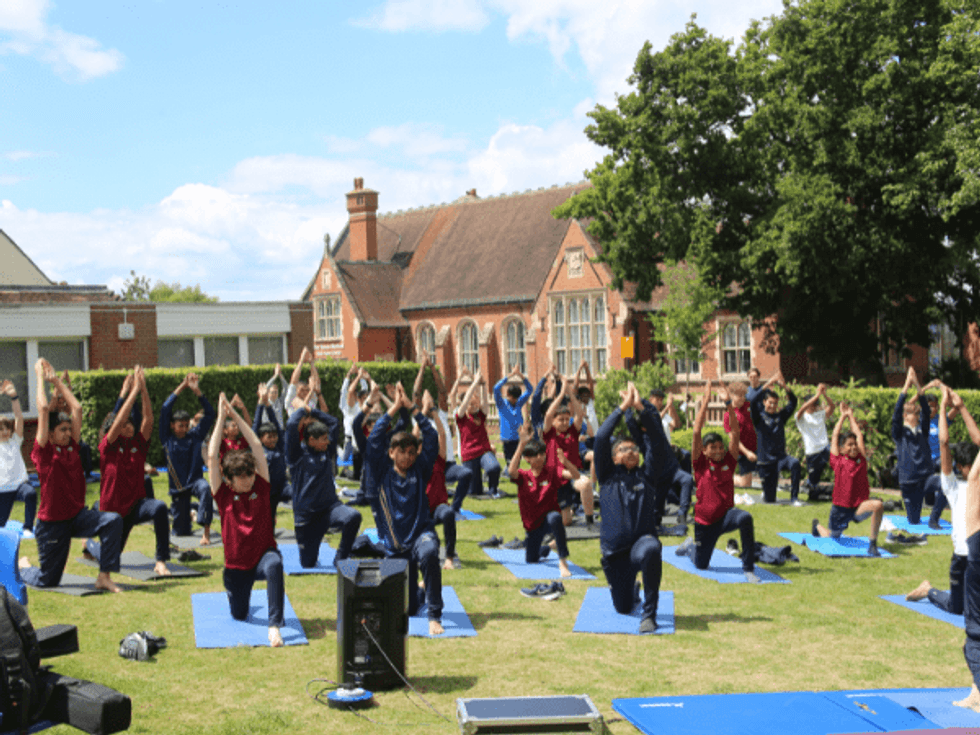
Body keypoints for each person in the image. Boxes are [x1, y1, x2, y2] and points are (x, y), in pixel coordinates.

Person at [19, 359, 123, 593]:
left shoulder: (72, 448)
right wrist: (39, 376)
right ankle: (24, 566)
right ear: (51, 433)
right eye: (62, 430)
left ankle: (104, 577)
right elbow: (44, 410)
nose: (68, 433)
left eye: (69, 429)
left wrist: (56, 380)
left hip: (77, 517)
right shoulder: (43, 452)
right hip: (52, 525)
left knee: (113, 520)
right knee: (48, 580)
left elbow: (76, 409)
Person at [365, 383, 444, 635]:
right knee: (407, 609)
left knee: (430, 552)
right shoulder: (380, 473)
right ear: (391, 453)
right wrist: (395, 408)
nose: (408, 457)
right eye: (402, 453)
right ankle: (419, 590)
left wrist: (413, 408)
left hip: (421, 535)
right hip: (395, 547)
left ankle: (434, 613)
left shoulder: (420, 469)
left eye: (412, 452)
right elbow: (374, 439)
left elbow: (431, 437)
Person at [208, 394, 285, 648]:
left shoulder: (261, 486)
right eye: (241, 477)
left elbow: (256, 446)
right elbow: (212, 457)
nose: (248, 480)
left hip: (263, 555)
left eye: (250, 474)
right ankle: (239, 597)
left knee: (275, 565)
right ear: (229, 480)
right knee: (239, 615)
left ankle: (274, 625)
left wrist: (236, 414)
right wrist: (221, 418)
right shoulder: (223, 494)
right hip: (236, 567)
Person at [86, 366, 171, 576]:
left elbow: (148, 420)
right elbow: (117, 420)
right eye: (125, 425)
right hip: (113, 512)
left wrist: (143, 389)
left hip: (135, 505)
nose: (129, 427)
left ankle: (161, 560)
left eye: (131, 425)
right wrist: (130, 393)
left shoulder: (138, 446)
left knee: (159, 507)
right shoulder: (108, 447)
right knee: (111, 559)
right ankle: (89, 546)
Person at [595, 381, 665, 634]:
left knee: (651, 550)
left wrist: (641, 408)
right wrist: (621, 408)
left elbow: (656, 440)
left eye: (634, 449)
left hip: (640, 545)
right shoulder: (607, 476)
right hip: (614, 554)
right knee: (623, 608)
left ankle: (650, 615)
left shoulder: (647, 475)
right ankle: (632, 591)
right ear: (614, 458)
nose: (631, 452)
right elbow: (602, 438)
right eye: (624, 450)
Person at [676, 382, 760, 582]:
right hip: (704, 523)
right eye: (712, 448)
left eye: (720, 447)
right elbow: (696, 432)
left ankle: (748, 567)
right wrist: (705, 402)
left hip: (726, 516)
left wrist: (728, 404)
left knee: (745, 518)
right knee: (701, 565)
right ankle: (690, 547)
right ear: (704, 451)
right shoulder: (700, 464)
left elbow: (735, 433)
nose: (717, 451)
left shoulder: (728, 462)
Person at [907, 386, 980, 611]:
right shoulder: (953, 485)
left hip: (977, 555)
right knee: (956, 608)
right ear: (960, 467)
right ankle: (928, 590)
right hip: (961, 558)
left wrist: (962, 408)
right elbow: (944, 443)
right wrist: (943, 409)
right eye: (970, 466)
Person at [285, 388, 361, 567]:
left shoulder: (328, 452)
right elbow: (291, 426)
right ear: (311, 439)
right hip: (307, 518)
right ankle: (311, 551)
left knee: (353, 516)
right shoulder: (296, 455)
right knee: (308, 563)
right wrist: (303, 409)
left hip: (329, 510)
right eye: (324, 439)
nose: (328, 442)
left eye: (328, 439)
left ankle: (340, 559)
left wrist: (312, 410)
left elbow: (333, 422)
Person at [811, 403, 883, 556]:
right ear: (842, 449)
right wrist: (842, 417)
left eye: (855, 444)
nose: (854, 447)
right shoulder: (838, 461)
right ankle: (817, 526)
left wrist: (850, 415)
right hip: (840, 508)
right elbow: (835, 436)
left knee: (878, 505)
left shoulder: (861, 460)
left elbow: (859, 435)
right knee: (832, 536)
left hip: (858, 507)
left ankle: (873, 544)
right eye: (849, 445)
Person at [509, 422, 576, 581]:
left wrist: (567, 464)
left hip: (548, 519)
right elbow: (511, 471)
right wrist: (522, 443)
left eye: (542, 453)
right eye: (536, 455)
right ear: (527, 459)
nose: (541, 457)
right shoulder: (524, 476)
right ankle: (545, 548)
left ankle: (562, 561)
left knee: (555, 518)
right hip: (532, 526)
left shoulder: (552, 471)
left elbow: (573, 475)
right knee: (532, 559)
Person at [160, 372, 216, 545]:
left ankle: (206, 533)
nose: (184, 428)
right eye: (180, 426)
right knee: (181, 533)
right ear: (172, 425)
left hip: (195, 482)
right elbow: (165, 409)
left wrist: (197, 392)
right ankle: (191, 512)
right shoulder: (167, 438)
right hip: (178, 489)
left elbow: (210, 414)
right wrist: (183, 386)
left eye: (186, 425)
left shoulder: (195, 436)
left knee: (206, 489)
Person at [953, 392, 980, 711]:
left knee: (973, 633)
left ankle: (977, 693)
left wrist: (960, 408)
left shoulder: (973, 478)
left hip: (977, 553)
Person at [542, 377, 594, 526]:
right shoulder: (549, 433)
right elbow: (548, 415)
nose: (565, 422)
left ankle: (590, 520)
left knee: (585, 483)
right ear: (554, 421)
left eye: (567, 419)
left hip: (571, 473)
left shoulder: (573, 431)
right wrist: (560, 395)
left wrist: (570, 393)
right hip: (556, 475)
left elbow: (579, 413)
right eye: (561, 420)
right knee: (566, 522)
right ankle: (558, 509)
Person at [417, 395, 460, 570]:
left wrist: (433, 411)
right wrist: (422, 412)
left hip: (438, 507)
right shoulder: (413, 463)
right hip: (420, 510)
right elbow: (414, 435)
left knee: (449, 514)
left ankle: (449, 557)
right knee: (428, 546)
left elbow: (442, 434)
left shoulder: (438, 460)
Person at [644, 389, 694, 530]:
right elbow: (654, 423)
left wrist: (671, 407)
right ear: (650, 399)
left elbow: (676, 424)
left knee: (687, 479)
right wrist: (667, 407)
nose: (660, 402)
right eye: (657, 399)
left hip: (669, 459)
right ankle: (657, 515)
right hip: (655, 463)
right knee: (658, 508)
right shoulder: (647, 412)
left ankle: (682, 514)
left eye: (662, 400)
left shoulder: (664, 415)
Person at [750, 369, 801, 504]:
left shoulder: (780, 417)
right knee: (770, 500)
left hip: (781, 458)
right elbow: (753, 400)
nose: (773, 405)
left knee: (795, 463)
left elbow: (793, 402)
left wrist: (783, 386)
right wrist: (769, 383)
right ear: (765, 402)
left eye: (775, 403)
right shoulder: (758, 418)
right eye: (770, 402)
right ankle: (766, 492)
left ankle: (794, 498)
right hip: (766, 462)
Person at [892, 367, 933, 526]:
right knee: (914, 521)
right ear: (905, 416)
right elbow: (896, 413)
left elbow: (927, 411)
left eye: (917, 414)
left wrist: (917, 384)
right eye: (911, 413)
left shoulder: (923, 431)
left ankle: (935, 519)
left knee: (944, 486)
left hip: (925, 476)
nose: (915, 416)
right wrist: (906, 386)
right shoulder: (900, 433)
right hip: (908, 480)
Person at [455, 368, 502, 499]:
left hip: (483, 451)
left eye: (476, 403)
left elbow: (485, 403)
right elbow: (464, 402)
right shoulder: (461, 418)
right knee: (474, 492)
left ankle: (493, 490)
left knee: (494, 468)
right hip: (469, 455)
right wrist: (474, 383)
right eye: (472, 404)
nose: (475, 405)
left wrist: (483, 384)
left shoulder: (481, 415)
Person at [0, 379, 36, 536]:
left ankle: (28, 527)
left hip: (20, 485)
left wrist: (14, 397)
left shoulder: (15, 441)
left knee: (31, 493)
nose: (5, 432)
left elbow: (19, 418)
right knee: (1, 526)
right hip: (3, 490)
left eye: (7, 428)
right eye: (1, 429)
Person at [253, 382, 289, 531]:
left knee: (299, 494)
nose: (273, 439)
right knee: (265, 520)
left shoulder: (279, 446)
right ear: (261, 438)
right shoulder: (258, 448)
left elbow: (276, 423)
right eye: (269, 437)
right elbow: (255, 425)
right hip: (263, 491)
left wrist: (268, 405)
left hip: (281, 487)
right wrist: (261, 404)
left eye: (275, 436)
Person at [795, 383, 836, 500]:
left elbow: (832, 407)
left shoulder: (820, 415)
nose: (815, 407)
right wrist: (817, 395)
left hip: (825, 448)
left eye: (816, 404)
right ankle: (809, 485)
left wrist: (824, 394)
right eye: (813, 404)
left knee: (839, 466)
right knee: (814, 483)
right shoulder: (801, 418)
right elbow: (802, 409)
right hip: (812, 453)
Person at [494, 363, 533, 478]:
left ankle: (510, 474)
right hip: (507, 438)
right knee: (511, 462)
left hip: (518, 438)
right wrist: (510, 376)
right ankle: (508, 473)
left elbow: (530, 389)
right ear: (508, 395)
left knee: (517, 461)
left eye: (517, 398)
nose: (515, 400)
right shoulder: (502, 405)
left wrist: (520, 375)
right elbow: (496, 388)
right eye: (513, 398)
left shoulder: (518, 403)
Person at [724, 382, 758, 490]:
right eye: (740, 395)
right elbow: (734, 440)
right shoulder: (728, 415)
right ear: (732, 395)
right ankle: (724, 477)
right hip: (742, 452)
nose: (743, 398)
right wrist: (747, 452)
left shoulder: (748, 406)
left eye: (744, 395)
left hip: (756, 448)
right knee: (745, 485)